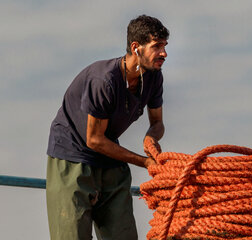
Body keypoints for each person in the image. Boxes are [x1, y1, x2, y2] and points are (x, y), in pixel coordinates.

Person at [46, 15, 169, 240]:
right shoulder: (103, 80)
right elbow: (93, 139)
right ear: (136, 48)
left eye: (164, 46)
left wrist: (150, 139)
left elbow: (157, 123)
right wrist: (144, 161)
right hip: (72, 157)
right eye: (156, 46)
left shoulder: (154, 78)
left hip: (109, 155)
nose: (164, 53)